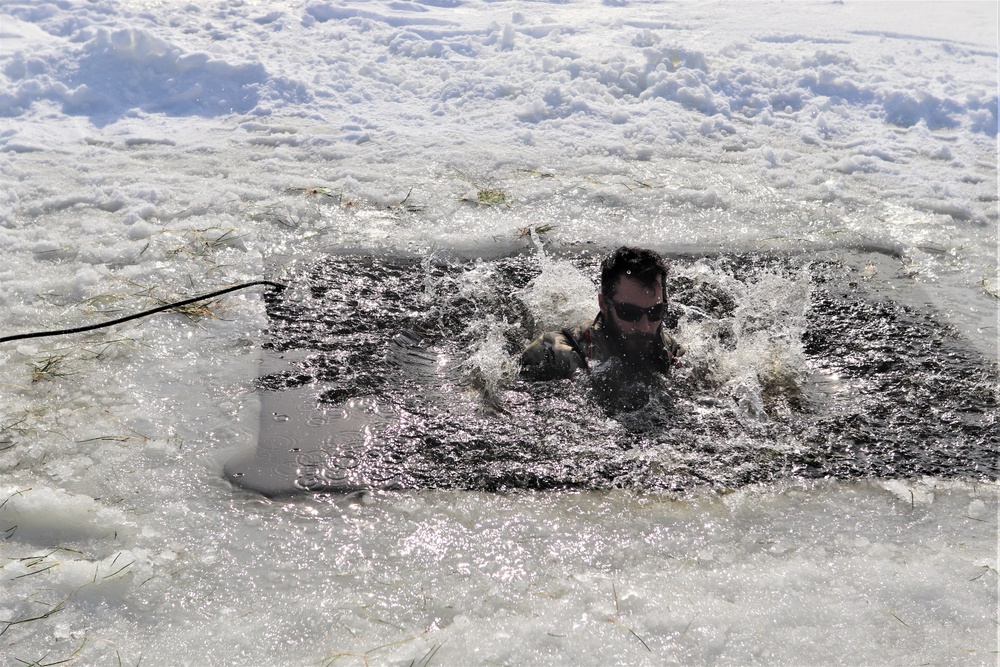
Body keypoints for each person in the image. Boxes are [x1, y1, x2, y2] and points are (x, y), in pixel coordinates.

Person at [520, 247, 683, 402]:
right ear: (603, 305)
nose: (645, 327)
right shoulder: (553, 354)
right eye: (629, 313)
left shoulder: (670, 351)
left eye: (656, 311)